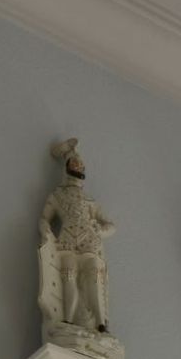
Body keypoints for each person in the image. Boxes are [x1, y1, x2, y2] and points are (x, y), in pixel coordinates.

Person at [38, 139, 116, 345]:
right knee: (68, 275)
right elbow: (45, 217)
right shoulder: (58, 195)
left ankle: (100, 323)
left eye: (80, 165)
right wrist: (45, 229)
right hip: (67, 240)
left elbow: (110, 225)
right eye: (74, 164)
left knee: (93, 275)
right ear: (67, 168)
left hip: (90, 241)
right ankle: (68, 319)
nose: (78, 167)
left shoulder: (90, 201)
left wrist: (100, 229)